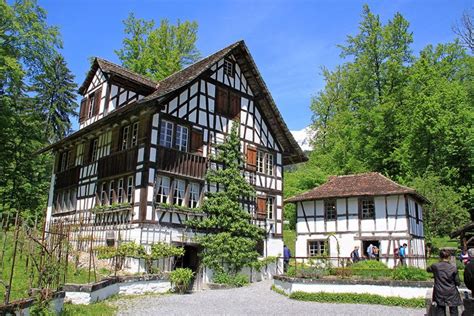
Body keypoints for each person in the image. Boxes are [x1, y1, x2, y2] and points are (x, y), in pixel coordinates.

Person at [427, 249, 462, 316]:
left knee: (440, 310)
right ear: (449, 257)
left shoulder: (435, 266)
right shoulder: (453, 268)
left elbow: (428, 269)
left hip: (440, 291)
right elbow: (457, 282)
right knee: (454, 311)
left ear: (439, 257)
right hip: (451, 292)